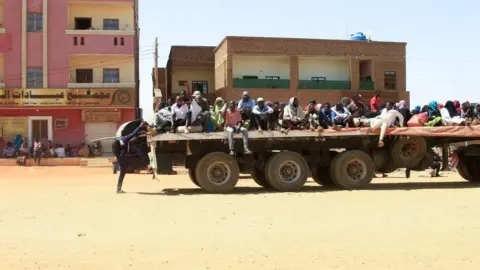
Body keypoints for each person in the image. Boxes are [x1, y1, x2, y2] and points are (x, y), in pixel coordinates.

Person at [115, 121, 149, 194]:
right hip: (126, 158)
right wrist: (140, 127)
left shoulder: (121, 139)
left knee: (122, 174)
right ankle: (145, 166)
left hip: (121, 159)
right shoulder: (126, 138)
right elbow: (133, 134)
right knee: (139, 155)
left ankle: (118, 188)